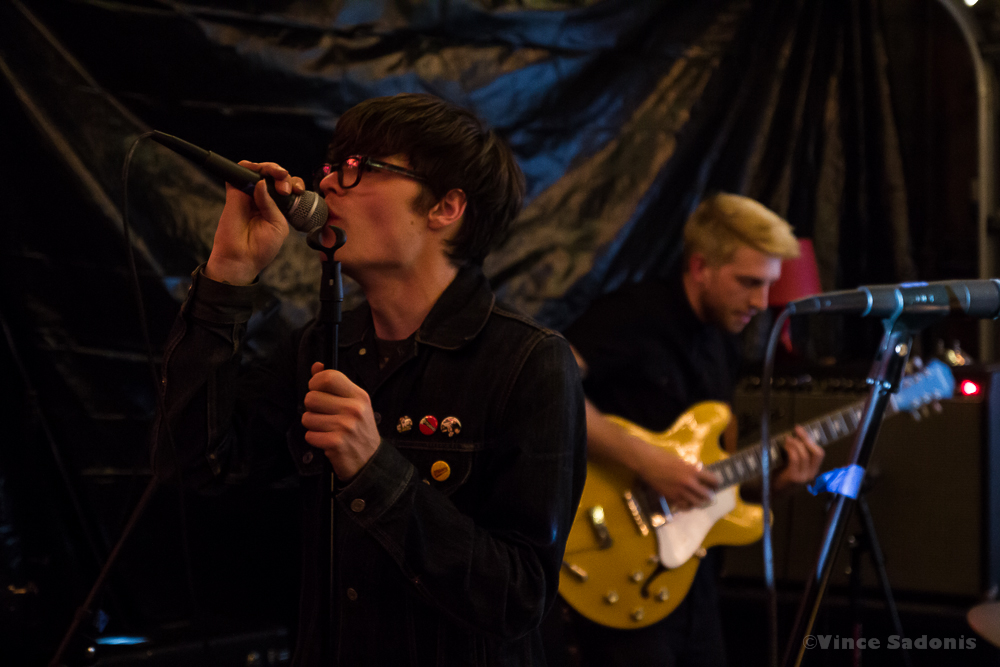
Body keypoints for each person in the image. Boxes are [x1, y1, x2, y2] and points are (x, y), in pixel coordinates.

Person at [151, 93, 587, 667]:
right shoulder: (319, 346)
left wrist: (376, 471)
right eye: (334, 165)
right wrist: (228, 273)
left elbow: (519, 596)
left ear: (445, 208)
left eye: (361, 167)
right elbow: (194, 467)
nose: (329, 182)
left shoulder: (529, 360)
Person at [551, 193, 826, 667]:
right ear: (701, 267)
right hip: (618, 561)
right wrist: (647, 461)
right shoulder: (631, 314)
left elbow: (716, 474)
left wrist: (775, 484)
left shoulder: (725, 339)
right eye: (749, 282)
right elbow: (551, 393)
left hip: (692, 582)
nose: (761, 303)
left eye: (768, 285)